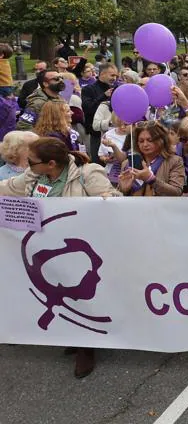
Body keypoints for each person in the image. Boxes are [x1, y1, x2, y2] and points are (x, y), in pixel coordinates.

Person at [0, 137, 119, 378]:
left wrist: (109, 199)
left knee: (81, 294)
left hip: (79, 248)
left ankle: (87, 347)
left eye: (32, 162)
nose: (28, 166)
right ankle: (71, 334)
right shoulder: (34, 177)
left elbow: (114, 200)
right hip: (47, 248)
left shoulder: (87, 173)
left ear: (51, 163)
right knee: (55, 291)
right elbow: (8, 187)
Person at [118, 121, 185, 197]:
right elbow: (121, 196)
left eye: (150, 140)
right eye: (141, 141)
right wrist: (124, 190)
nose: (145, 144)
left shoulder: (175, 161)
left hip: (162, 208)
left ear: (161, 140)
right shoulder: (127, 163)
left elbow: (176, 192)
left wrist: (151, 179)